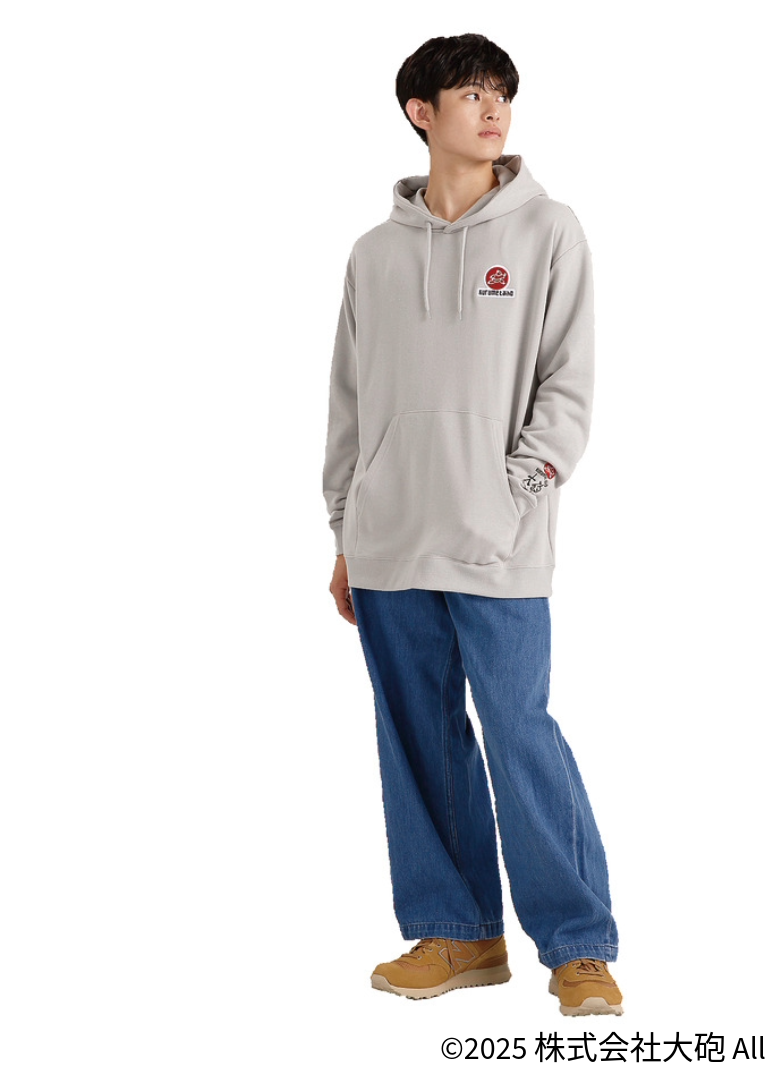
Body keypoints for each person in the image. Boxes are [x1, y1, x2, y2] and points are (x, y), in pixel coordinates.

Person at [321, 33, 622, 1017]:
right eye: (471, 95)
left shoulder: (549, 232)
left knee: (519, 730)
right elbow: (349, 400)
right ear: (422, 112)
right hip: (388, 539)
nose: (493, 111)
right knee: (416, 738)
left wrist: (516, 489)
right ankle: (458, 935)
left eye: (502, 94)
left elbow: (568, 385)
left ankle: (578, 944)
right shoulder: (374, 255)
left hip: (500, 538)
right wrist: (345, 529)